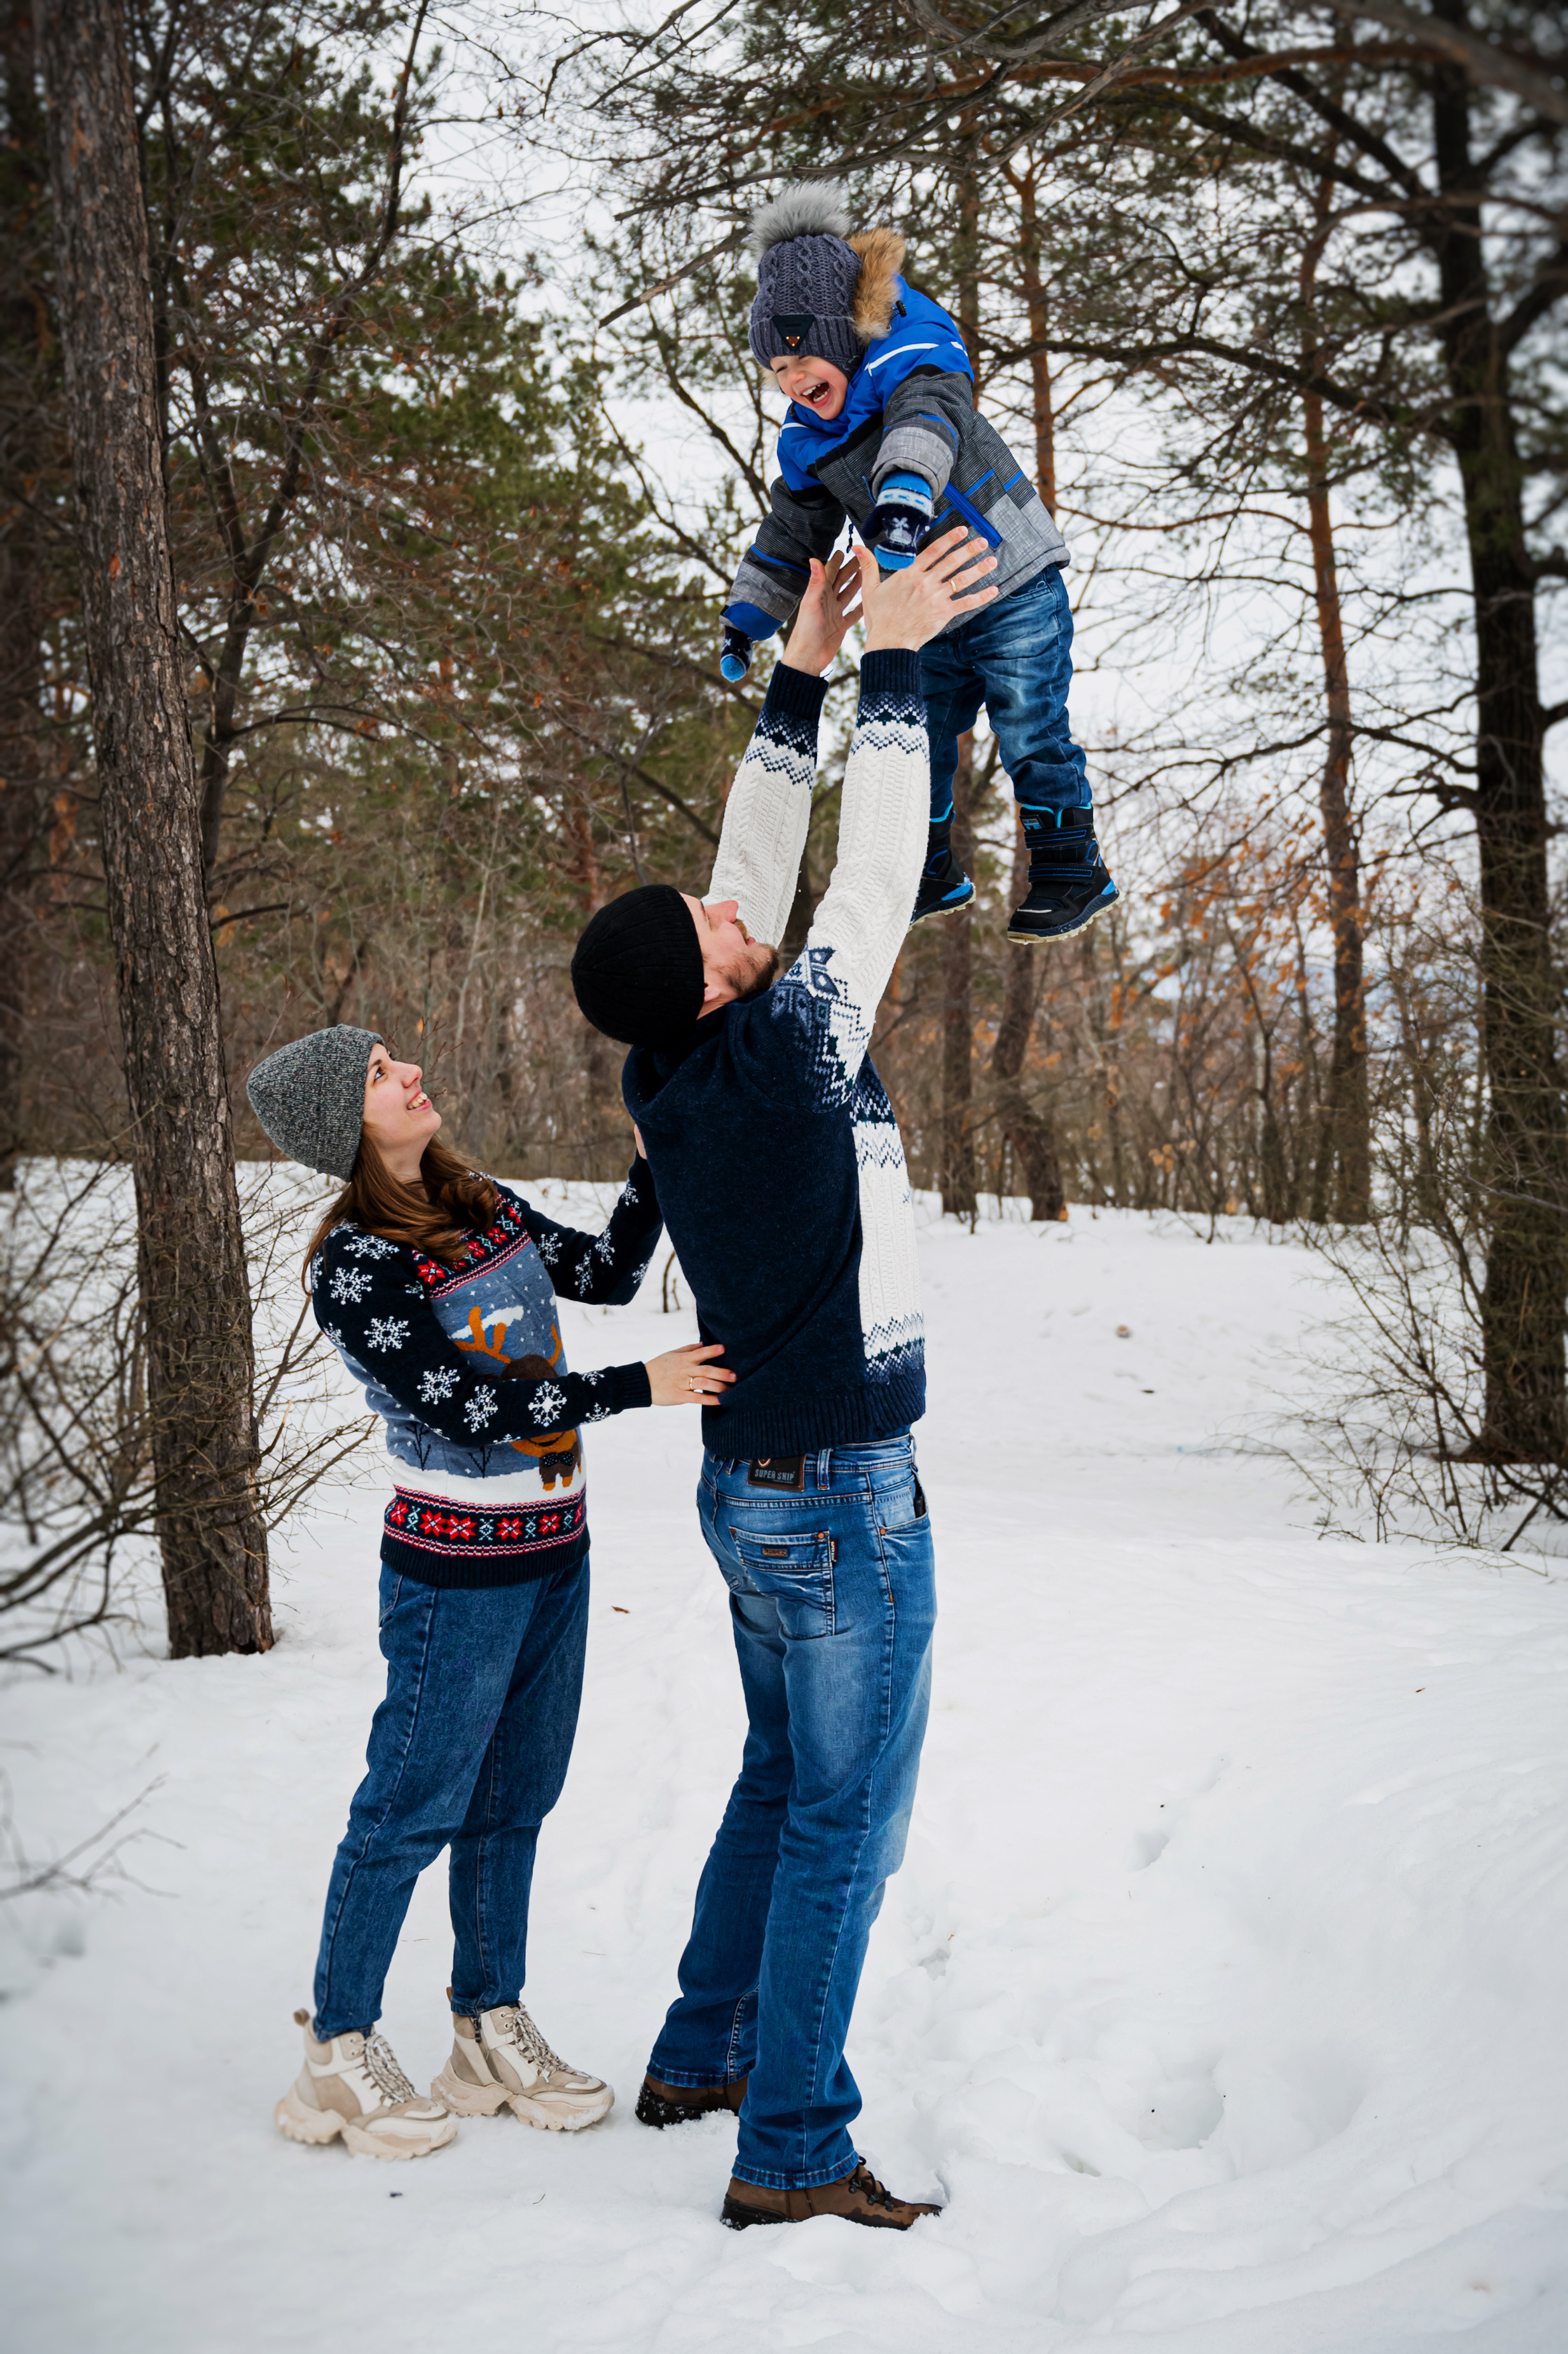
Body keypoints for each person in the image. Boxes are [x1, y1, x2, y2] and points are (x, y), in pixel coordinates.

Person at [569, 527, 993, 2230]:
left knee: (776, 1779)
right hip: (837, 1495)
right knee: (841, 1818)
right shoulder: (790, 1042)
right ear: (716, 976)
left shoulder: (685, 1063)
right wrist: (893, 667)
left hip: (756, 1492)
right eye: (713, 923)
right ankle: (794, 2143)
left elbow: (746, 876)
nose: (735, 903)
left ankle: (702, 2050)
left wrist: (800, 670)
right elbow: (871, 879)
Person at [244, 1028, 733, 2161]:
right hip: (452, 1575)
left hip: (557, 1551)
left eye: (395, 1057)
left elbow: (607, 1269)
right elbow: (469, 1405)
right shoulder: (356, 1262)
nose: (412, 1069)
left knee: (518, 1796)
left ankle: (485, 2020)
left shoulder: (483, 1203)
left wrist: (653, 1162)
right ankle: (338, 2054)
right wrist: (638, 1386)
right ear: (344, 1124)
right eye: (377, 1074)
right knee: (409, 1807)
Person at [715, 178, 1117, 947]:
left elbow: (924, 427)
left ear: (842, 335)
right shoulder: (807, 437)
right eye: (777, 372)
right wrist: (748, 616)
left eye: (802, 359)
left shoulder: (917, 358)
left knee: (1030, 723)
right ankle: (928, 866)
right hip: (924, 610)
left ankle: (1070, 866)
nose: (794, 382)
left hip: (1011, 584)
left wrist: (903, 498)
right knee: (913, 733)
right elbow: (792, 526)